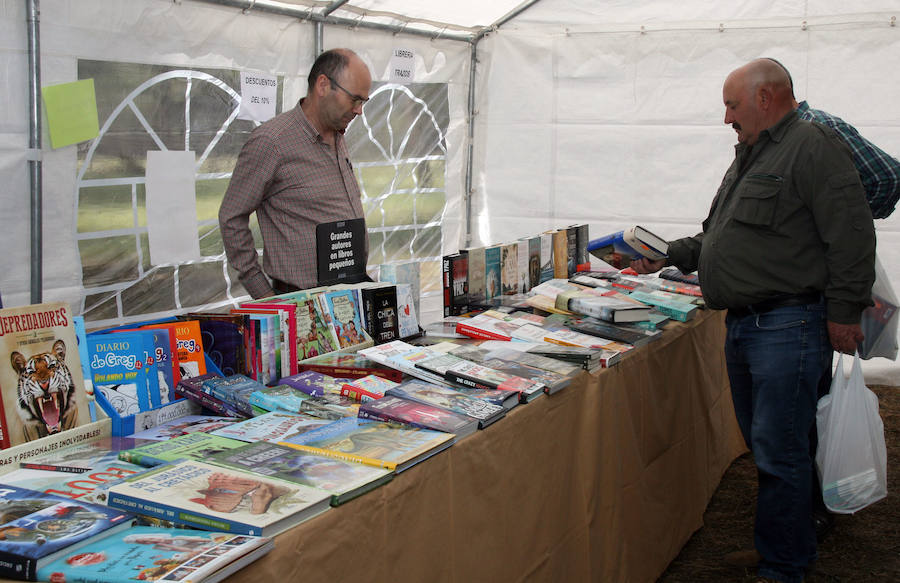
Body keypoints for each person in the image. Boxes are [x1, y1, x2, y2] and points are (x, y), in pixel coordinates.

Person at [632, 58, 876, 583]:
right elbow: (719, 237)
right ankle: (791, 541)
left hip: (787, 327)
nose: (726, 118)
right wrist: (669, 253)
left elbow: (852, 235)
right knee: (778, 446)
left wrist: (844, 313)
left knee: (779, 450)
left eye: (731, 105)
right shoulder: (751, 155)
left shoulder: (812, 147)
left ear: (766, 98)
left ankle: (785, 566)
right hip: (749, 327)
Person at [219, 48, 372, 299]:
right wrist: (267, 298)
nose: (359, 110)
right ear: (323, 85)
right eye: (354, 99)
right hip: (302, 304)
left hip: (349, 296)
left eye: (363, 102)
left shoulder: (337, 135)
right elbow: (231, 217)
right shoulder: (272, 142)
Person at [764, 57, 900, 219]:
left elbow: (888, 176)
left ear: (765, 98)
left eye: (737, 105)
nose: (729, 118)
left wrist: (848, 220)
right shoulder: (776, 136)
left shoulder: (820, 125)